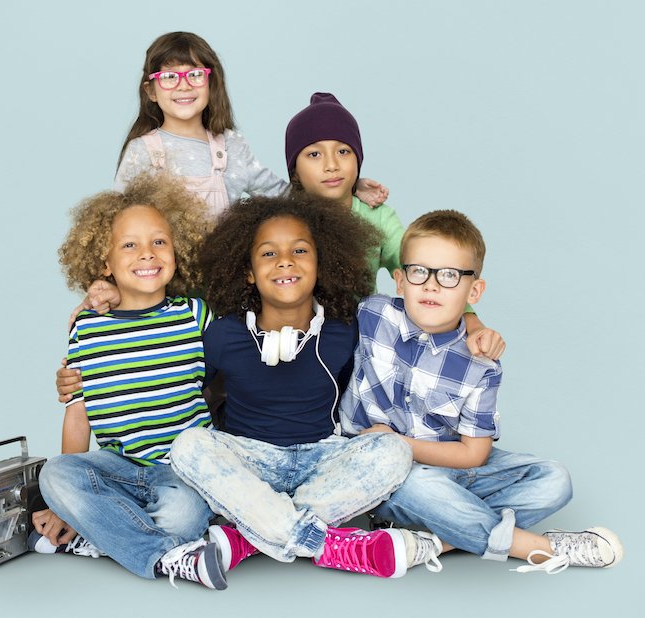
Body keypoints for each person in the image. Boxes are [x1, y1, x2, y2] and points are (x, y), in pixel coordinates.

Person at [168, 193, 445, 579]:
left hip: (323, 458)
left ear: (320, 264)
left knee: (394, 450)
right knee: (188, 445)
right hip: (250, 458)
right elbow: (190, 388)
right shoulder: (222, 334)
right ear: (248, 272)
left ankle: (251, 536)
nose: (285, 261)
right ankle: (325, 544)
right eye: (268, 253)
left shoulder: (344, 330)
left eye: (300, 250)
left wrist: (472, 321)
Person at [339, 209, 624, 573]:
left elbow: (474, 454)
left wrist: (398, 442)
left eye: (449, 276)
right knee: (419, 486)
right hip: (385, 478)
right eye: (419, 271)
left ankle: (433, 542)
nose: (431, 285)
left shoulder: (481, 365)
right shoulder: (372, 315)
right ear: (399, 280)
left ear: (474, 291)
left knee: (555, 480)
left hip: (445, 468)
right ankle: (540, 548)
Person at [30, 174, 229, 590]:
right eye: (129, 245)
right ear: (105, 265)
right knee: (55, 475)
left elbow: (231, 380)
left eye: (159, 242)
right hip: (117, 468)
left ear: (177, 251)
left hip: (182, 471)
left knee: (183, 516)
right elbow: (78, 414)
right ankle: (166, 555)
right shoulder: (87, 328)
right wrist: (64, 504)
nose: (146, 254)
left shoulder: (195, 315)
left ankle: (104, 535)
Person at [284, 91, 505, 361]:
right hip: (290, 344)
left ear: (357, 160)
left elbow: (423, 268)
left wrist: (472, 321)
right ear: (295, 170)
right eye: (314, 154)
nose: (331, 165)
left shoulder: (378, 218)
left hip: (357, 348)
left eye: (343, 151)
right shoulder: (281, 221)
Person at [114, 32, 388, 217]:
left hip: (222, 278)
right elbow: (117, 221)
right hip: (163, 282)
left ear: (211, 83)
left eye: (195, 74)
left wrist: (348, 188)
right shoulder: (143, 151)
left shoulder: (230, 146)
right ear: (151, 91)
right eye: (169, 77)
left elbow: (285, 196)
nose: (183, 86)